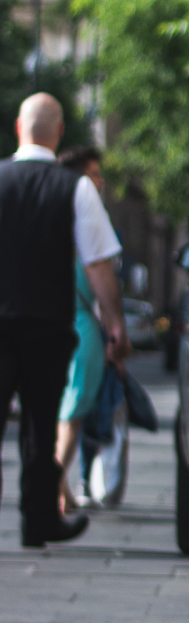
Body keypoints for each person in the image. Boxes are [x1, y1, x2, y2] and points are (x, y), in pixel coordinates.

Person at [0, 94, 130, 546]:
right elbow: (98, 264)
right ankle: (39, 523)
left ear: (19, 127)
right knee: (41, 426)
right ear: (58, 134)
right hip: (47, 326)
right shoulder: (74, 188)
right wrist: (116, 325)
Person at [55, 146, 110, 513]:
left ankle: (59, 486)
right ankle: (54, 483)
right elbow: (101, 274)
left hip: (52, 324)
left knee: (63, 412)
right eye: (92, 173)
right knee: (71, 413)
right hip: (79, 325)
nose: (99, 181)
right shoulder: (84, 215)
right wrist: (116, 324)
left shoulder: (53, 215)